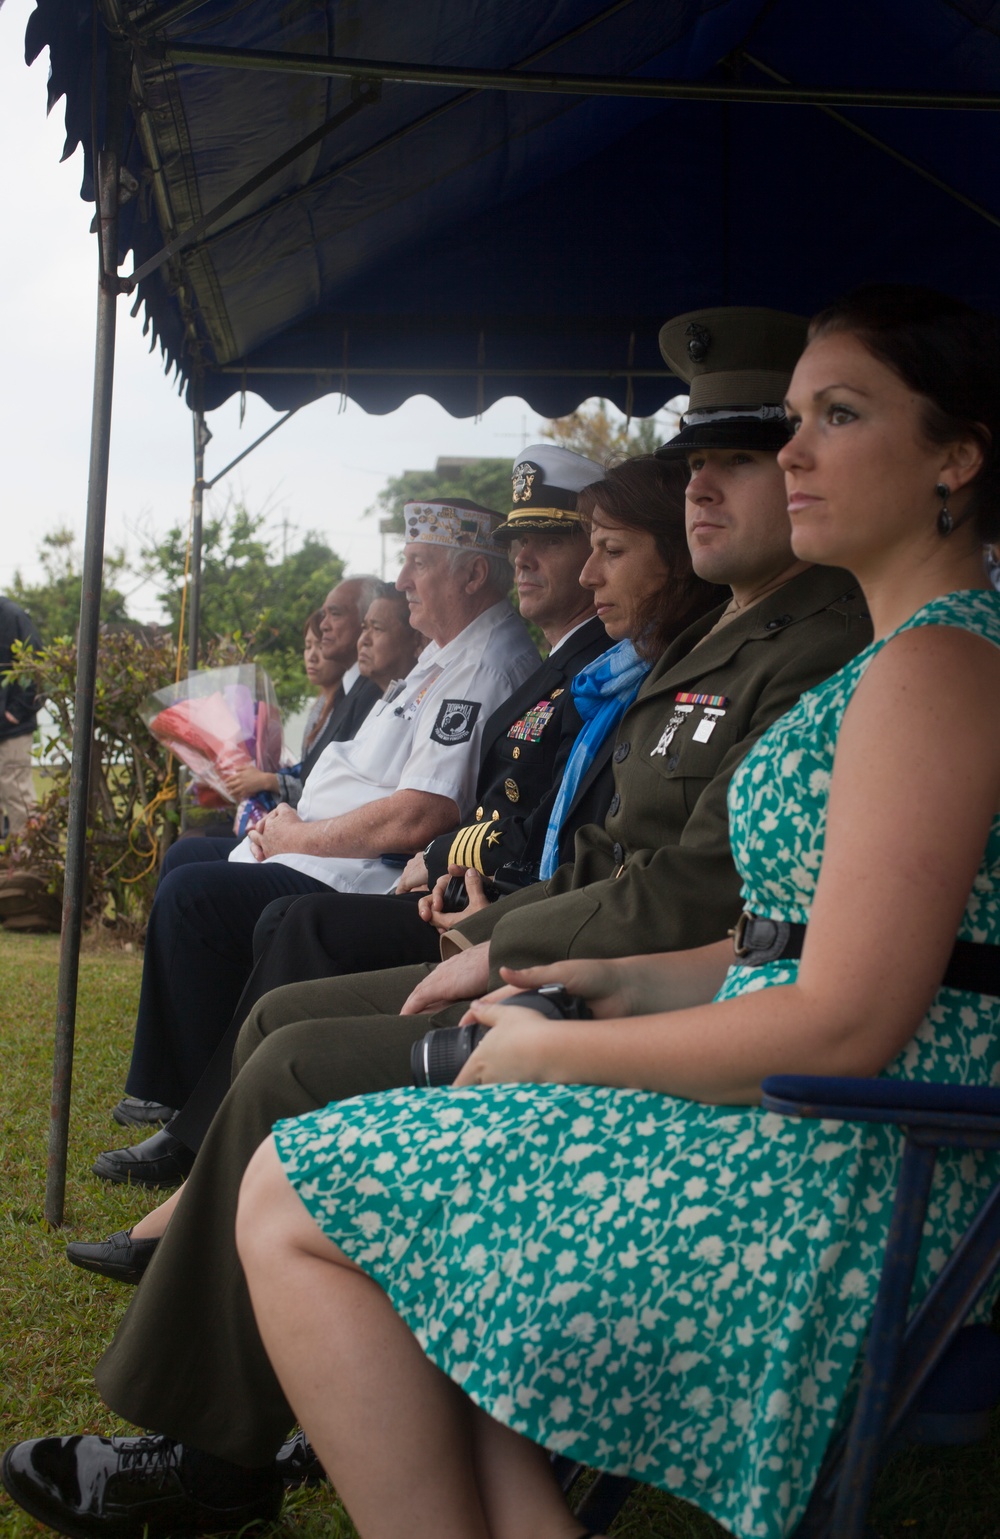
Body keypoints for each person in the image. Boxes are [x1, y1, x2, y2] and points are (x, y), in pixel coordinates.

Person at [1, 307, 874, 1539]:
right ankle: (221, 1343)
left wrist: (506, 947)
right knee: (289, 1007)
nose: (711, 490)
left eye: (748, 455)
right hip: (613, 969)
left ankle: (209, 1457)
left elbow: (700, 893)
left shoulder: (830, 643)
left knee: (300, 1048)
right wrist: (504, 934)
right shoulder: (727, 636)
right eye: (697, 463)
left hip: (667, 1008)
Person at [222, 286, 1000, 1539]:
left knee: (295, 1194)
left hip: (851, 1177)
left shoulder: (936, 665)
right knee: (419, 1219)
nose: (790, 450)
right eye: (791, 418)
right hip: (822, 1134)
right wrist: (621, 984)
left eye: (836, 417)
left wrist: (558, 1049)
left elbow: (851, 1021)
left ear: (955, 455)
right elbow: (797, 947)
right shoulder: (906, 657)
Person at [76, 446, 720, 1190]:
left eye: (568, 543)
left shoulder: (528, 662)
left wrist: (447, 861)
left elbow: (467, 813)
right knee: (236, 895)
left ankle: (208, 1140)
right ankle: (204, 1124)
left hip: (494, 898)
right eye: (519, 543)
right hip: (490, 889)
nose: (542, 563)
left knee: (284, 918)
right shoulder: (507, 660)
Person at [106, 500, 539, 1137]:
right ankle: (177, 1091)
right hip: (328, 846)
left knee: (193, 894)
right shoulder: (447, 653)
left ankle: (195, 1105)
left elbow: (423, 813)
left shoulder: (484, 665)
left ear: (473, 576)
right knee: (186, 862)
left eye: (419, 563)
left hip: (363, 871)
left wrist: (294, 835)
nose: (401, 580)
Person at [111, 576, 384, 1134]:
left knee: (192, 886)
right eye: (319, 620)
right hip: (311, 837)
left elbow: (370, 794)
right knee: (185, 858)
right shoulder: (355, 695)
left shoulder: (378, 691)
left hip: (344, 859)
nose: (324, 630)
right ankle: (170, 1075)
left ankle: (188, 1088)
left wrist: (278, 799)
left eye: (338, 616)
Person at [0, 595, 42, 838]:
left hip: (13, 728)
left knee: (17, 796)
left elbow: (37, 667)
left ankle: (26, 863)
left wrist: (16, 712)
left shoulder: (12, 615)